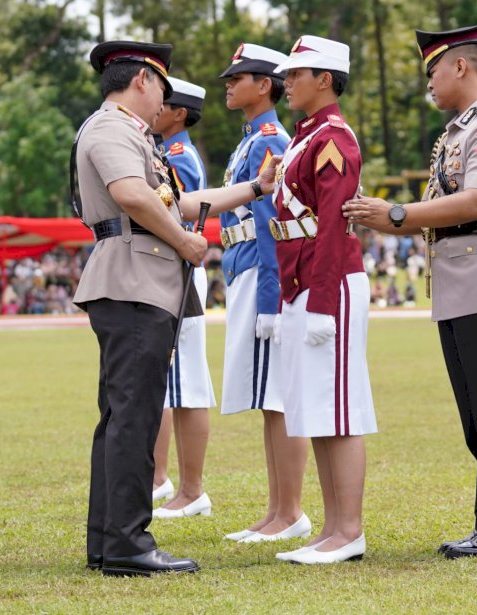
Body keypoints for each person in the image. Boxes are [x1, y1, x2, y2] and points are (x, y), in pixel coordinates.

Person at [73, 40, 280, 576]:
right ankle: (126, 543)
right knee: (133, 418)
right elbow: (133, 196)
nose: (161, 101)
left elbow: (179, 201)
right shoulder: (112, 128)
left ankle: (109, 540)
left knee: (126, 417)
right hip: (134, 277)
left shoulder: (129, 132)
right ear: (143, 80)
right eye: (160, 88)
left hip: (139, 277)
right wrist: (186, 242)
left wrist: (254, 187)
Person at [345, 19, 477, 558]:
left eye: (433, 70)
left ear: (460, 66)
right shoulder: (458, 131)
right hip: (463, 282)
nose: (428, 82)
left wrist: (399, 214)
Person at [267, 36, 377, 565]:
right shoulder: (303, 138)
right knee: (316, 406)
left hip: (328, 282)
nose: (286, 82)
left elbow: (333, 224)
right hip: (303, 280)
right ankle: (333, 527)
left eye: (295, 74)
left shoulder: (334, 138)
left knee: (339, 407)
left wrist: (323, 303)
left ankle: (348, 530)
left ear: (325, 79)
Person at [217, 43, 310, 544]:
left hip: (260, 270)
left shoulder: (269, 138)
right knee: (265, 396)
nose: (230, 84)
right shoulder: (250, 140)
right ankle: (277, 509)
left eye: (241, 76)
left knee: (275, 394)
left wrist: (272, 298)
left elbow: (271, 221)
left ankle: (289, 510)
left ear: (266, 84)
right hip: (242, 268)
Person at [150, 77, 216, 518]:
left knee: (187, 383)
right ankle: (166, 481)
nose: (155, 107)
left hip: (181, 272)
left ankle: (192, 490)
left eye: (164, 102)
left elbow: (179, 213)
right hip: (171, 273)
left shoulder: (179, 156)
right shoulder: (168, 151)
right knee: (173, 386)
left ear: (178, 113)